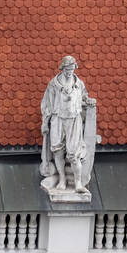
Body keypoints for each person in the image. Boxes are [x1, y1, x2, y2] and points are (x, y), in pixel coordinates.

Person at [40, 55, 94, 194]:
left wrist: (88, 100)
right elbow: (46, 104)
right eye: (67, 69)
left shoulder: (79, 84)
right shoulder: (54, 84)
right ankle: (62, 179)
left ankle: (78, 183)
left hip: (73, 121)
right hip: (57, 120)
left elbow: (83, 97)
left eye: (72, 68)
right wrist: (45, 123)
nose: (70, 71)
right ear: (62, 68)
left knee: (73, 154)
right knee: (57, 151)